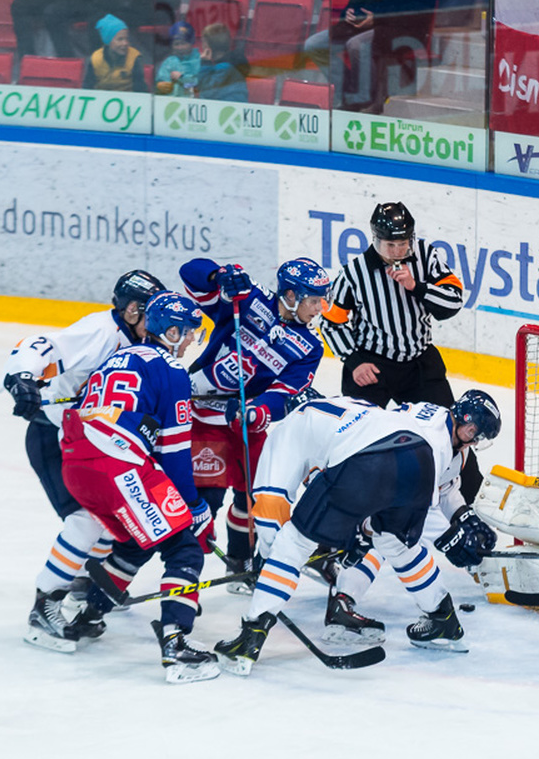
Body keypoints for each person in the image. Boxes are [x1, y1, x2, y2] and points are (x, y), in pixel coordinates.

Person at [213, 393, 500, 674]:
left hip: (372, 459)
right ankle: (443, 617)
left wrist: (268, 558)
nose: (474, 438)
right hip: (406, 460)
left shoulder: (290, 428)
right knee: (394, 542)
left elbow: (271, 502)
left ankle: (250, 636)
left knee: (293, 544)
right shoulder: (354, 409)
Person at [58, 292, 219, 684]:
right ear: (172, 332)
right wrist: (194, 505)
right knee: (183, 546)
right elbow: (177, 451)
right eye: (190, 333)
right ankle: (176, 645)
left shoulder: (116, 357)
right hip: (116, 463)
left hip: (77, 463)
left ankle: (89, 615)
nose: (192, 341)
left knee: (140, 539)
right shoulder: (172, 372)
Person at [5, 269, 165, 653]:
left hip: (97, 445)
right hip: (54, 438)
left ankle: (84, 582)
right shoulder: (99, 332)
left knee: (110, 521)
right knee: (84, 521)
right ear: (130, 311)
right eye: (150, 312)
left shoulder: (144, 344)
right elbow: (43, 344)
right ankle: (45, 605)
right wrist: (21, 378)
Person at [320, 202, 483, 504]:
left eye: (403, 243)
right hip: (372, 368)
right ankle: (335, 519)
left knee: (454, 433)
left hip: (420, 365)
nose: (398, 250)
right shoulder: (354, 273)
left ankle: (466, 502)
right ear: (375, 239)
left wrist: (416, 286)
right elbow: (331, 324)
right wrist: (354, 361)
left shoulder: (425, 255)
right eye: (390, 244)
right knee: (352, 442)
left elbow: (454, 301)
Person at [179, 257, 330, 578]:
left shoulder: (310, 347)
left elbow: (286, 392)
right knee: (208, 498)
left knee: (253, 496)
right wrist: (218, 275)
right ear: (291, 296)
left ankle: (239, 563)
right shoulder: (248, 298)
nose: (320, 307)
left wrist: (258, 409)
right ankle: (180, 570)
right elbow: (190, 275)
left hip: (246, 422)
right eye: (314, 299)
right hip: (203, 415)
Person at [83, 13, 147, 92]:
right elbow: (87, 88)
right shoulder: (95, 59)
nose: (125, 43)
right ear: (108, 41)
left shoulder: (134, 57)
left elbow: (140, 89)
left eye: (126, 39)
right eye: (120, 39)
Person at [196, 22, 250, 102]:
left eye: (204, 41)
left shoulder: (225, 67)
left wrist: (205, 63)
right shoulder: (225, 64)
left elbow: (207, 93)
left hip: (230, 110)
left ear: (209, 45)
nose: (202, 45)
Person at [154, 21, 201, 96]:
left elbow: (200, 88)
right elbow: (159, 85)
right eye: (176, 44)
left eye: (183, 43)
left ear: (192, 42)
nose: (180, 47)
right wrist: (159, 87)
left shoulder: (199, 61)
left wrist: (182, 78)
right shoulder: (168, 62)